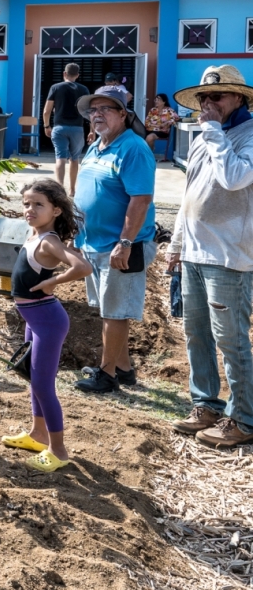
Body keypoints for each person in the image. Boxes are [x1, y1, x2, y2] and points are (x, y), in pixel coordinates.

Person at [167, 65, 253, 447]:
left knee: (232, 341)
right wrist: (176, 244)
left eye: (216, 97)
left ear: (239, 98)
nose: (207, 104)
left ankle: (245, 418)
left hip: (229, 257)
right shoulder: (205, 137)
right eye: (203, 98)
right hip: (195, 253)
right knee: (195, 334)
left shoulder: (246, 135)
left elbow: (234, 178)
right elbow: (190, 195)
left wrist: (215, 132)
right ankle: (206, 404)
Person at [1, 180, 92, 472]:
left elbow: (83, 267)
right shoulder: (35, 234)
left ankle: (59, 450)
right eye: (26, 203)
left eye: (38, 204)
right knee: (34, 380)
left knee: (43, 385)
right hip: (33, 318)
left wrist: (53, 282)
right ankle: (38, 435)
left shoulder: (48, 241)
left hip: (47, 320)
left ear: (55, 210)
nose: (30, 209)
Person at [73, 85, 157, 394]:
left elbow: (141, 199)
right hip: (94, 243)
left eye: (105, 109)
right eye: (92, 110)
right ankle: (124, 370)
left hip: (121, 246)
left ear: (123, 114)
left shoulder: (133, 148)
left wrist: (125, 241)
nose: (96, 115)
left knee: (115, 312)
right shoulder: (97, 145)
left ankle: (106, 375)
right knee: (109, 307)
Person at [42, 63, 89, 196]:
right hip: (77, 128)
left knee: (60, 158)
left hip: (59, 127)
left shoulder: (55, 87)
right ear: (78, 75)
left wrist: (46, 125)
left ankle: (59, 189)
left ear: (64, 73)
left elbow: (47, 110)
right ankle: (72, 190)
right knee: (74, 159)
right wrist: (92, 130)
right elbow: (88, 112)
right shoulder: (84, 89)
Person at [145, 93, 177, 157]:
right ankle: (146, 153)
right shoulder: (152, 110)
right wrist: (151, 125)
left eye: (158, 99)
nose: (156, 101)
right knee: (138, 135)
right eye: (155, 100)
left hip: (162, 131)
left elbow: (176, 118)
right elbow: (147, 121)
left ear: (164, 101)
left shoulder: (169, 110)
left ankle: (149, 155)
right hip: (151, 130)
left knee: (149, 138)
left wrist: (166, 123)